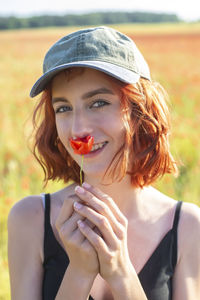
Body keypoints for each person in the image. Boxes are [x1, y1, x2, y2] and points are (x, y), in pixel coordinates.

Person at [7, 26, 200, 300]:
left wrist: (121, 272)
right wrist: (79, 272)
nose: (78, 129)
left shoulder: (187, 226)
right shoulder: (29, 219)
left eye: (98, 103)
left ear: (138, 110)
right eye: (63, 108)